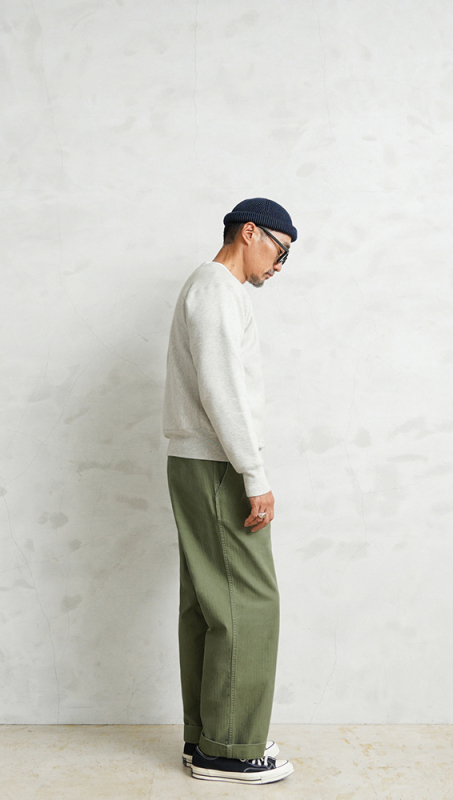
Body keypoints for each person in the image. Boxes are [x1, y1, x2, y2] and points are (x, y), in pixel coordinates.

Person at [162, 198, 297, 785]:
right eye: (280, 251)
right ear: (249, 232)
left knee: (208, 602)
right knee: (249, 601)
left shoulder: (210, 288)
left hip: (197, 462)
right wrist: (254, 475)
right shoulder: (217, 289)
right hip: (218, 464)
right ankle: (232, 751)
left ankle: (207, 738)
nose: (279, 266)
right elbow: (223, 392)